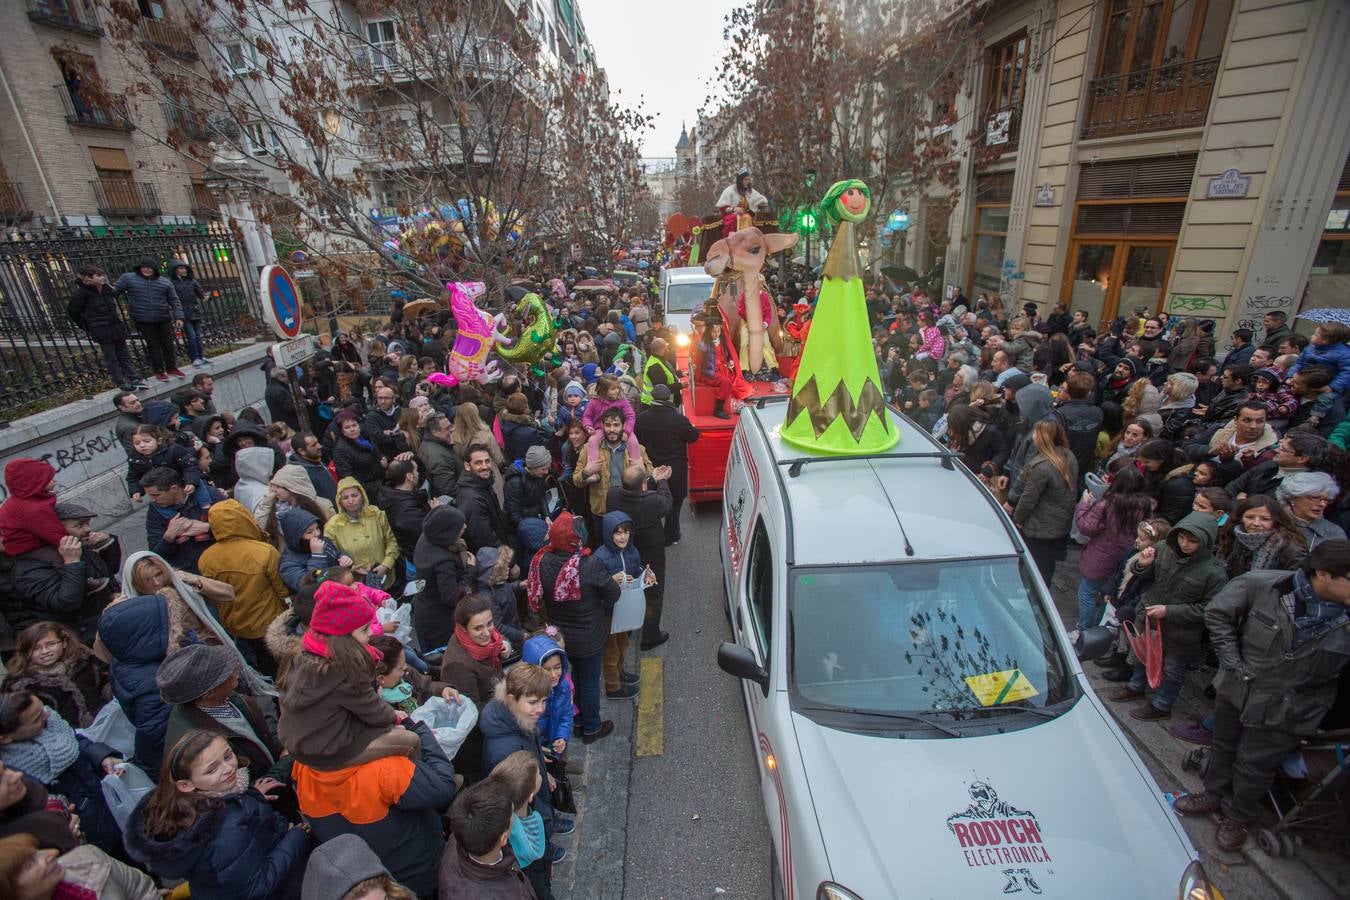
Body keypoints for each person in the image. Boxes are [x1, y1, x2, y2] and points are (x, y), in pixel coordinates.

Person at [1171, 540, 1350, 850]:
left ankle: (1238, 815)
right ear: (1324, 574)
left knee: (1256, 763)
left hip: (1292, 707)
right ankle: (1212, 795)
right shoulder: (1262, 585)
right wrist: (1232, 662)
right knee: (1224, 746)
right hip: (1239, 688)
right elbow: (1217, 614)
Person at [124, 730, 310, 899]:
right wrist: (296, 837)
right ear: (186, 785)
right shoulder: (227, 831)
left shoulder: (194, 802)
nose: (228, 768)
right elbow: (256, 886)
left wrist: (251, 795)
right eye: (211, 769)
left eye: (228, 755)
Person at [292, 713, 455, 898]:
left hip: (375, 878)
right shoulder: (384, 768)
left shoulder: (302, 769)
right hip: (421, 871)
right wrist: (414, 727)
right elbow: (442, 789)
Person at [276, 581, 420, 772]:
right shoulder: (343, 670)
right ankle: (415, 783)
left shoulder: (304, 653)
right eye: (364, 630)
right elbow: (375, 712)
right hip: (325, 752)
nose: (371, 634)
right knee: (410, 740)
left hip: (302, 738)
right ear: (342, 637)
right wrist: (396, 719)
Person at [1108, 511, 1226, 721]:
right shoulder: (1164, 548)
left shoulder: (1214, 573)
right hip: (1149, 619)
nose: (1185, 544)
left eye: (1192, 541)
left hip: (1181, 631)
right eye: (1181, 537)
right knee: (1143, 657)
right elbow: (1145, 577)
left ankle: (1162, 706)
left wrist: (1170, 611)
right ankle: (1136, 686)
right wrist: (1142, 565)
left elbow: (1210, 609)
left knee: (1172, 670)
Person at [526, 512, 618, 744]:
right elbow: (613, 593)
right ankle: (591, 727)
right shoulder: (588, 564)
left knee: (570, 679)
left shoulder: (543, 560)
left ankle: (575, 721)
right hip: (588, 636)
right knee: (588, 683)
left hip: (560, 638)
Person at [0, 691, 123, 856]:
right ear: (5, 738)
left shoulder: (51, 722)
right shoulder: (15, 771)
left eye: (42, 708)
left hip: (104, 800)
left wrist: (101, 757)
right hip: (87, 828)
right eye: (36, 719)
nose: (46, 715)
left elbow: (75, 740)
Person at [156, 643, 283, 784]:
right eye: (225, 671)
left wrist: (283, 746)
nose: (235, 669)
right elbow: (224, 792)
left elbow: (263, 735)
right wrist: (285, 762)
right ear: (209, 693)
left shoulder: (231, 698)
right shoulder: (196, 745)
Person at [3, 501, 120, 645]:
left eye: (88, 523)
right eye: (79, 525)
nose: (88, 529)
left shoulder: (73, 547)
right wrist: (72, 563)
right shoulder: (29, 569)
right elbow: (67, 602)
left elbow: (106, 574)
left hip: (108, 620)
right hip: (84, 637)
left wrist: (109, 545)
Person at [198, 500, 290, 674]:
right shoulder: (265, 551)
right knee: (280, 665)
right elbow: (282, 589)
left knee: (259, 663)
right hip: (269, 622)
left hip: (235, 624)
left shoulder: (206, 558)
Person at [1072, 465, 1154, 633]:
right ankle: (1098, 629)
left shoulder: (1108, 504)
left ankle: (1084, 629)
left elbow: (1086, 527)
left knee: (1087, 592)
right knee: (1107, 595)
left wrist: (1083, 504)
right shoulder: (1145, 505)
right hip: (1125, 558)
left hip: (1100, 558)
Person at [605, 466, 673, 651]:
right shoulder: (653, 502)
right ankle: (650, 636)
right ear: (643, 485)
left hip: (625, 554)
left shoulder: (612, 495)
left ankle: (625, 630)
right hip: (652, 555)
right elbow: (666, 502)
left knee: (625, 591)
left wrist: (650, 480)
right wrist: (662, 480)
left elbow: (636, 492)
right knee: (653, 595)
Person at [438, 778, 537, 899]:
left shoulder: (460, 836)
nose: (514, 817)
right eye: (512, 815)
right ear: (503, 838)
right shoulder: (508, 895)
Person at [593, 512, 655, 700]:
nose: (622, 537)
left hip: (624, 608)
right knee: (610, 650)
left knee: (622, 643)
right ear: (608, 534)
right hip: (607, 612)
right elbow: (595, 588)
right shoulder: (600, 558)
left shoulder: (632, 551)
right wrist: (611, 581)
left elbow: (635, 569)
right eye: (617, 533)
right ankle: (613, 687)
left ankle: (620, 672)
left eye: (626, 532)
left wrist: (645, 574)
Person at [1008, 419, 1078, 584]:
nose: (1032, 436)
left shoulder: (1040, 467)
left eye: (1035, 433)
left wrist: (1017, 520)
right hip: (1059, 524)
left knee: (1036, 567)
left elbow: (1028, 499)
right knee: (1047, 565)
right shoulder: (1068, 456)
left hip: (1039, 527)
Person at [1, 621, 106, 731]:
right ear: (27, 652)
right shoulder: (22, 683)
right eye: (35, 648)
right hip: (64, 733)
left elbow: (105, 683)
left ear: (64, 643)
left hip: (102, 719)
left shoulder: (84, 662)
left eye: (51, 644)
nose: (45, 651)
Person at [0, 833, 158, 900]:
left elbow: (141, 889)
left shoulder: (88, 860)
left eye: (37, 851)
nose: (52, 852)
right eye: (31, 863)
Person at [635, 383, 699, 545]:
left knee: (650, 500)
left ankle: (653, 534)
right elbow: (693, 436)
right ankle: (671, 535)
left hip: (651, 466)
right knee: (675, 502)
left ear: (653, 398)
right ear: (668, 398)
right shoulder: (678, 419)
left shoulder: (642, 418)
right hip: (674, 468)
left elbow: (637, 440)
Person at [68, 264, 142, 392]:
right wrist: (88, 326)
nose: (103, 278)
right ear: (89, 278)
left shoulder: (107, 289)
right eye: (99, 276)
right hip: (100, 329)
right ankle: (120, 381)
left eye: (103, 275)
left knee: (124, 355)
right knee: (111, 357)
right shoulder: (81, 293)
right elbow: (73, 312)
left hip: (116, 327)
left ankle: (133, 377)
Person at [412, 506, 477, 653]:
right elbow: (451, 597)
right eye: (460, 526)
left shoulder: (428, 537)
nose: (465, 527)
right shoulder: (442, 562)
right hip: (440, 624)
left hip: (424, 611)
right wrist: (470, 571)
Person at [140, 465, 224, 574]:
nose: (153, 500)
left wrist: (207, 528)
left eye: (156, 495)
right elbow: (156, 557)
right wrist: (168, 537)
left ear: (174, 488)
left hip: (223, 561)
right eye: (150, 496)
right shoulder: (155, 512)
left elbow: (239, 527)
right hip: (194, 572)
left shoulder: (210, 495)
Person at [113, 257, 183, 381]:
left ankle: (172, 367)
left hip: (163, 317)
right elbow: (114, 291)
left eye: (150, 268)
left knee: (168, 344)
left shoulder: (164, 282)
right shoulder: (129, 278)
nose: (147, 270)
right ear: (140, 268)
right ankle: (159, 370)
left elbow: (174, 300)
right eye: (144, 267)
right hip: (143, 318)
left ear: (154, 269)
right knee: (153, 345)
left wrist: (179, 316)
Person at [325, 479, 399, 591]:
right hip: (356, 585)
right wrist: (352, 567)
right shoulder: (333, 526)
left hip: (385, 576)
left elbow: (391, 540)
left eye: (354, 495)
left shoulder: (376, 514)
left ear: (362, 495)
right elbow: (333, 555)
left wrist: (386, 564)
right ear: (339, 501)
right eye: (345, 498)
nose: (350, 501)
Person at [438, 592, 508, 710]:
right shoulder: (457, 666)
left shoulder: (478, 638)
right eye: (478, 628)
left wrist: (503, 650)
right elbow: (474, 709)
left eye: (489, 624)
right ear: (463, 628)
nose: (487, 633)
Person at [1216, 494, 1308, 578]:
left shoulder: (1289, 547)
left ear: (1276, 521)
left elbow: (1298, 579)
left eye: (1265, 519)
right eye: (1250, 517)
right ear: (1241, 518)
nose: (1256, 523)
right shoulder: (1232, 535)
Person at [490, 750, 548, 876]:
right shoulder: (538, 819)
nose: (541, 775)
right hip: (533, 874)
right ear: (530, 795)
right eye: (538, 774)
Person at [521, 630, 573, 765]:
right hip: (534, 750)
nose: (554, 674)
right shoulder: (525, 695)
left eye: (557, 667)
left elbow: (566, 716)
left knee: (558, 764)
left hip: (553, 744)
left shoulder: (563, 687)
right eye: (546, 670)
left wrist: (562, 736)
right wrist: (535, 749)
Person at [0, 459, 67, 559]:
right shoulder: (33, 509)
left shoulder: (19, 499)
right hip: (27, 551)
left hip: (20, 547)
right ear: (35, 483)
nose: (54, 481)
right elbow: (58, 537)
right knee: (64, 558)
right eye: (48, 479)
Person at [457, 444, 513, 554]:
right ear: (467, 466)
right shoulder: (472, 499)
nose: (485, 466)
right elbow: (485, 538)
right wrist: (509, 563)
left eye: (487, 461)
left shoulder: (483, 484)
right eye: (478, 463)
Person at [377, 459, 432, 564]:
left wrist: (412, 456)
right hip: (421, 558)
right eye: (416, 471)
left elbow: (423, 474)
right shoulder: (406, 511)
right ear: (409, 477)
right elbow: (428, 531)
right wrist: (436, 512)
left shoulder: (393, 493)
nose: (418, 473)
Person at [474, 546, 526, 652]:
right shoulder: (487, 597)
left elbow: (505, 589)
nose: (508, 568)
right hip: (506, 638)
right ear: (492, 572)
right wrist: (520, 636)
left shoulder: (498, 583)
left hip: (513, 626)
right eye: (504, 567)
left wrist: (518, 585)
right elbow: (497, 626)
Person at [1276, 470, 1346, 547]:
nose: (1322, 504)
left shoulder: (1334, 532)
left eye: (1326, 500)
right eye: (1315, 498)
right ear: (1292, 498)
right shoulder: (1270, 522)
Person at [331, 411, 386, 499]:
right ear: (342, 431)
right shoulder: (340, 450)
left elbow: (378, 454)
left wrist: (384, 459)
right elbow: (348, 479)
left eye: (354, 425)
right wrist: (377, 488)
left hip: (381, 481)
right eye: (347, 427)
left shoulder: (365, 438)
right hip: (369, 492)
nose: (352, 429)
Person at [418, 414, 464, 502]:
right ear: (435, 432)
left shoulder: (431, 443)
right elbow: (448, 490)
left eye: (451, 426)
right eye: (447, 428)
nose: (452, 429)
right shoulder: (438, 457)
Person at [287, 432, 338, 505]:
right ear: (302, 451)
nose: (319, 446)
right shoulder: (302, 473)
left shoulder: (315, 461)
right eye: (314, 445)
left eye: (317, 442)